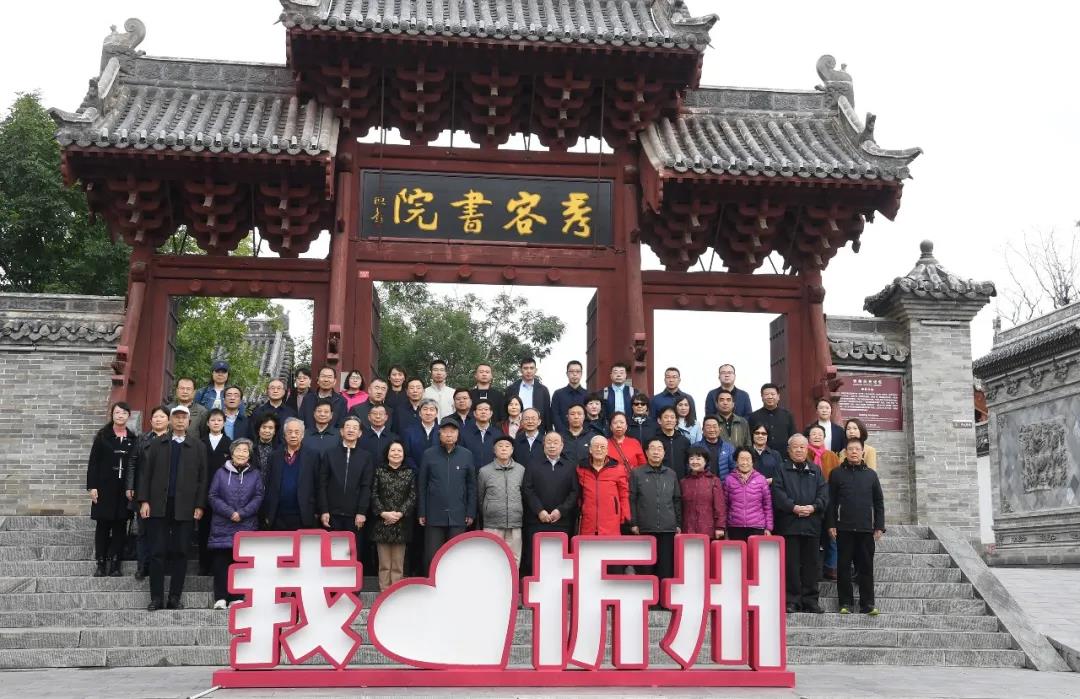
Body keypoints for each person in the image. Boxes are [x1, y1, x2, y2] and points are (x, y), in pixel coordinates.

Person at [137, 405, 208, 611]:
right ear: (170, 420)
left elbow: (203, 478)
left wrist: (199, 504)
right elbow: (145, 474)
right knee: (157, 552)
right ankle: (156, 598)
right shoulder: (157, 444)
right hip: (159, 505)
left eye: (183, 417)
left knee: (181, 552)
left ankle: (175, 597)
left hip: (185, 506)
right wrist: (144, 501)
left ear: (189, 422)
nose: (179, 421)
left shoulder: (198, 446)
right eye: (176, 417)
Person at [771, 434, 828, 614]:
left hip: (811, 525)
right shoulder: (781, 469)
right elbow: (777, 493)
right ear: (789, 450)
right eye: (795, 447)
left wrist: (814, 507)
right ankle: (792, 601)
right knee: (791, 566)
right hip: (790, 525)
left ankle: (811, 601)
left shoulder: (816, 470)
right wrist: (793, 507)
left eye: (802, 447)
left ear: (807, 449)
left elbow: (824, 493)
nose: (799, 450)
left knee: (812, 565)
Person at [828, 438, 885, 615]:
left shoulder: (871, 475)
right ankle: (845, 603)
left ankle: (867, 604)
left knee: (866, 568)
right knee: (843, 568)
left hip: (865, 529)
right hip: (844, 529)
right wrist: (831, 524)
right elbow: (831, 502)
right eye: (850, 449)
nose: (854, 452)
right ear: (845, 452)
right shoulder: (836, 474)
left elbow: (879, 502)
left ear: (862, 452)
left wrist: (879, 526)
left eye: (857, 449)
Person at [206, 438, 264, 609]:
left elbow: (259, 496)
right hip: (222, 525)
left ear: (249, 455)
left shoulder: (255, 474)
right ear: (232, 453)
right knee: (221, 563)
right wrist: (230, 513)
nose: (241, 454)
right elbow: (213, 496)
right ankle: (220, 597)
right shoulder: (220, 473)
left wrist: (242, 513)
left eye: (245, 451)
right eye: (238, 450)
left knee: (240, 563)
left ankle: (237, 596)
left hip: (246, 524)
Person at [418, 418, 476, 573]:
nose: (449, 434)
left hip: (458, 514)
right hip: (434, 514)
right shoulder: (429, 454)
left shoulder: (467, 455)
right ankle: (431, 584)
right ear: (439, 434)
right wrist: (422, 512)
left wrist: (471, 512)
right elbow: (422, 485)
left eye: (452, 431)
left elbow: (471, 486)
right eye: (445, 431)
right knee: (432, 556)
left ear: (458, 434)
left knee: (456, 555)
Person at [87, 402, 137, 577]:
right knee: (102, 525)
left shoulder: (133, 439)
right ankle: (100, 562)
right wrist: (92, 486)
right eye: (117, 412)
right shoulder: (103, 436)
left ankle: (116, 563)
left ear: (128, 416)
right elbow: (93, 463)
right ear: (112, 415)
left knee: (120, 526)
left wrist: (133, 487)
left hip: (124, 490)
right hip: (104, 488)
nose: (120, 415)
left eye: (124, 412)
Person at [522, 432, 579, 575]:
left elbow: (574, 492)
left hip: (561, 521)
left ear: (562, 446)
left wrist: (561, 511)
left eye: (556, 442)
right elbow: (527, 489)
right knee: (536, 558)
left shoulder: (570, 466)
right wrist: (539, 511)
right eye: (549, 442)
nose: (552, 446)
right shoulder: (533, 464)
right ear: (543, 445)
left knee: (559, 559)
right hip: (537, 520)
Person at [318, 416, 374, 555]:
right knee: (332, 553)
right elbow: (322, 484)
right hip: (332, 514)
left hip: (355, 515)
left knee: (353, 553)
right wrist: (324, 510)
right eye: (347, 427)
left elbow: (366, 486)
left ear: (360, 433)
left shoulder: (366, 456)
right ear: (341, 431)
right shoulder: (330, 454)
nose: (351, 430)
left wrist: (361, 512)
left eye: (355, 428)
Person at [126, 405, 170, 580]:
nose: (158, 420)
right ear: (150, 421)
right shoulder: (142, 439)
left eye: (162, 416)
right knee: (143, 531)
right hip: (143, 490)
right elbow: (132, 462)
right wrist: (130, 485)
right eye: (155, 417)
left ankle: (158, 566)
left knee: (161, 532)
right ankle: (142, 566)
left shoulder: (172, 440)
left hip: (164, 493)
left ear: (168, 420)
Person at [630, 439, 682, 580]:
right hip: (645, 528)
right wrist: (634, 523)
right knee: (645, 569)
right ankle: (647, 594)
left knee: (666, 568)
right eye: (652, 448)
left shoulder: (671, 474)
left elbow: (676, 500)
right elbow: (632, 499)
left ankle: (664, 594)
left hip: (667, 528)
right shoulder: (637, 473)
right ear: (646, 452)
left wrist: (678, 523)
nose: (656, 452)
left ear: (664, 453)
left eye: (659, 449)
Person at [261, 417, 320, 531]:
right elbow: (268, 486)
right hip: (278, 515)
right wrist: (267, 512)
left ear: (302, 435)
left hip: (303, 515)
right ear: (284, 435)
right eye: (290, 432)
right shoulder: (274, 456)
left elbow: (318, 485)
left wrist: (318, 511)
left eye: (297, 432)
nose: (293, 435)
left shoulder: (313, 456)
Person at [371, 440, 416, 591]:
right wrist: (384, 513)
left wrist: (399, 514)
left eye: (399, 451)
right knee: (384, 565)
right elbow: (374, 494)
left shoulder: (409, 472)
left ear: (404, 454)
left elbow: (412, 496)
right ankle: (384, 593)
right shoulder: (379, 471)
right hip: (382, 523)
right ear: (387, 453)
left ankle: (395, 594)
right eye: (393, 450)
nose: (396, 453)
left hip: (401, 524)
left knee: (397, 565)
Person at [478, 436, 526, 569]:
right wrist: (488, 511)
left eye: (507, 446)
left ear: (512, 450)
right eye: (500, 446)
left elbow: (524, 494)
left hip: (515, 521)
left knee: (514, 557)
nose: (504, 449)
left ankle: (512, 581)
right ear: (494, 450)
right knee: (491, 556)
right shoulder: (484, 471)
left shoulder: (521, 470)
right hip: (492, 523)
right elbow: (480, 497)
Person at [199, 409, 232, 575]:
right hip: (203, 493)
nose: (216, 423)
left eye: (219, 420)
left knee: (220, 530)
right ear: (207, 423)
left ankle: (217, 566)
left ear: (224, 423)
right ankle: (203, 565)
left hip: (223, 495)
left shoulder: (229, 443)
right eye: (213, 420)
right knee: (204, 529)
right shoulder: (200, 443)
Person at [576, 436, 630, 536]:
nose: (599, 449)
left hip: (611, 521)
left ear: (607, 450)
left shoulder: (618, 469)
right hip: (588, 521)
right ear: (590, 449)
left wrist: (625, 516)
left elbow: (624, 494)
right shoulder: (581, 469)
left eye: (602, 447)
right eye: (596, 446)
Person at [724, 447, 773, 541]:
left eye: (748, 459)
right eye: (742, 459)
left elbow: (767, 505)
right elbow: (724, 505)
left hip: (757, 527)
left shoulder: (761, 479)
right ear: (736, 461)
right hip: (735, 527)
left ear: (752, 461)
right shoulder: (729, 480)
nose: (745, 462)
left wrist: (768, 528)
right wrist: (724, 528)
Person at [681, 446, 726, 539]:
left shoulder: (714, 480)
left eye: (698, 458)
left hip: (708, 530)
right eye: (691, 459)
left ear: (705, 461)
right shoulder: (684, 482)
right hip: (688, 530)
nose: (695, 462)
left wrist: (720, 527)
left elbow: (720, 506)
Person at [507, 357, 552, 430]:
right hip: (515, 429)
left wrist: (549, 432)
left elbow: (547, 414)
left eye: (531, 368)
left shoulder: (543, 390)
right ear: (520, 370)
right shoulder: (511, 389)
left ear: (535, 370)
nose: (529, 371)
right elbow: (505, 410)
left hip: (537, 430)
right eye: (525, 368)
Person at [750, 383, 797, 454]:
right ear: (762, 397)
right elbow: (750, 439)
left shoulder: (787, 415)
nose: (770, 397)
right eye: (766, 394)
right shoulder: (754, 416)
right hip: (760, 456)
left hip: (783, 456)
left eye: (773, 394)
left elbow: (793, 437)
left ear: (778, 396)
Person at [460, 400, 503, 471]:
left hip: (493, 474)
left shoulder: (498, 434)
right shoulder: (464, 433)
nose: (483, 412)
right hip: (470, 473)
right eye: (480, 409)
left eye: (486, 409)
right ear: (474, 413)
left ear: (491, 413)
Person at [550, 360, 587, 434]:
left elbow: (589, 416)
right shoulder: (558, 394)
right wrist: (564, 433)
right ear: (567, 374)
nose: (575, 374)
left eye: (578, 371)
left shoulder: (587, 394)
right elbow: (555, 415)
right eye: (571, 371)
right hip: (562, 435)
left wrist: (583, 432)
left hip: (584, 435)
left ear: (581, 374)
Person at [167, 377, 209, 442]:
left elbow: (205, 436)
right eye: (182, 388)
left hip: (194, 447)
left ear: (194, 392)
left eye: (188, 389)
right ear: (177, 390)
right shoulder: (168, 409)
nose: (185, 391)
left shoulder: (202, 411)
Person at [654, 406, 691, 478]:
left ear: (676, 420)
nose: (669, 420)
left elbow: (688, 462)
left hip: (681, 480)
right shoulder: (654, 441)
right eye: (666, 417)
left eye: (672, 417)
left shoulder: (684, 441)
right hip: (660, 480)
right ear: (659, 421)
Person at [404, 399, 440, 470]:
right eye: (425, 409)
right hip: (415, 472)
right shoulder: (409, 432)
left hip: (438, 472)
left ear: (436, 414)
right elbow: (407, 455)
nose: (428, 413)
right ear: (420, 413)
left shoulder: (442, 431)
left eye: (431, 409)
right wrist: (417, 470)